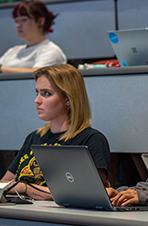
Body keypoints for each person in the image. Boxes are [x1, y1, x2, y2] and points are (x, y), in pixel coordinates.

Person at [0, 64, 110, 200]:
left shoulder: (91, 140)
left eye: (46, 93)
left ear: (68, 99)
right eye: (37, 92)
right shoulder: (34, 137)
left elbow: (90, 193)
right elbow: (5, 183)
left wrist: (26, 188)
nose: (37, 100)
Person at [0, 0, 67, 74]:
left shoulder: (51, 50)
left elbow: (38, 75)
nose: (18, 25)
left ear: (40, 21)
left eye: (23, 20)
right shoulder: (12, 51)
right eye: (16, 21)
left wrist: (1, 69)